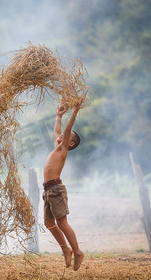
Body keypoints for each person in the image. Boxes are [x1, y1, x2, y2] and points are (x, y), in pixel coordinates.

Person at [42, 100, 84, 271]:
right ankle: (65, 248)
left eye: (65, 138)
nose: (59, 137)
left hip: (56, 189)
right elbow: (58, 132)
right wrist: (58, 116)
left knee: (62, 223)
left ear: (70, 143)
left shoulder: (63, 150)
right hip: (48, 190)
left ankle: (77, 251)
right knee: (48, 223)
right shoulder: (57, 148)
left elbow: (65, 132)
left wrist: (74, 112)